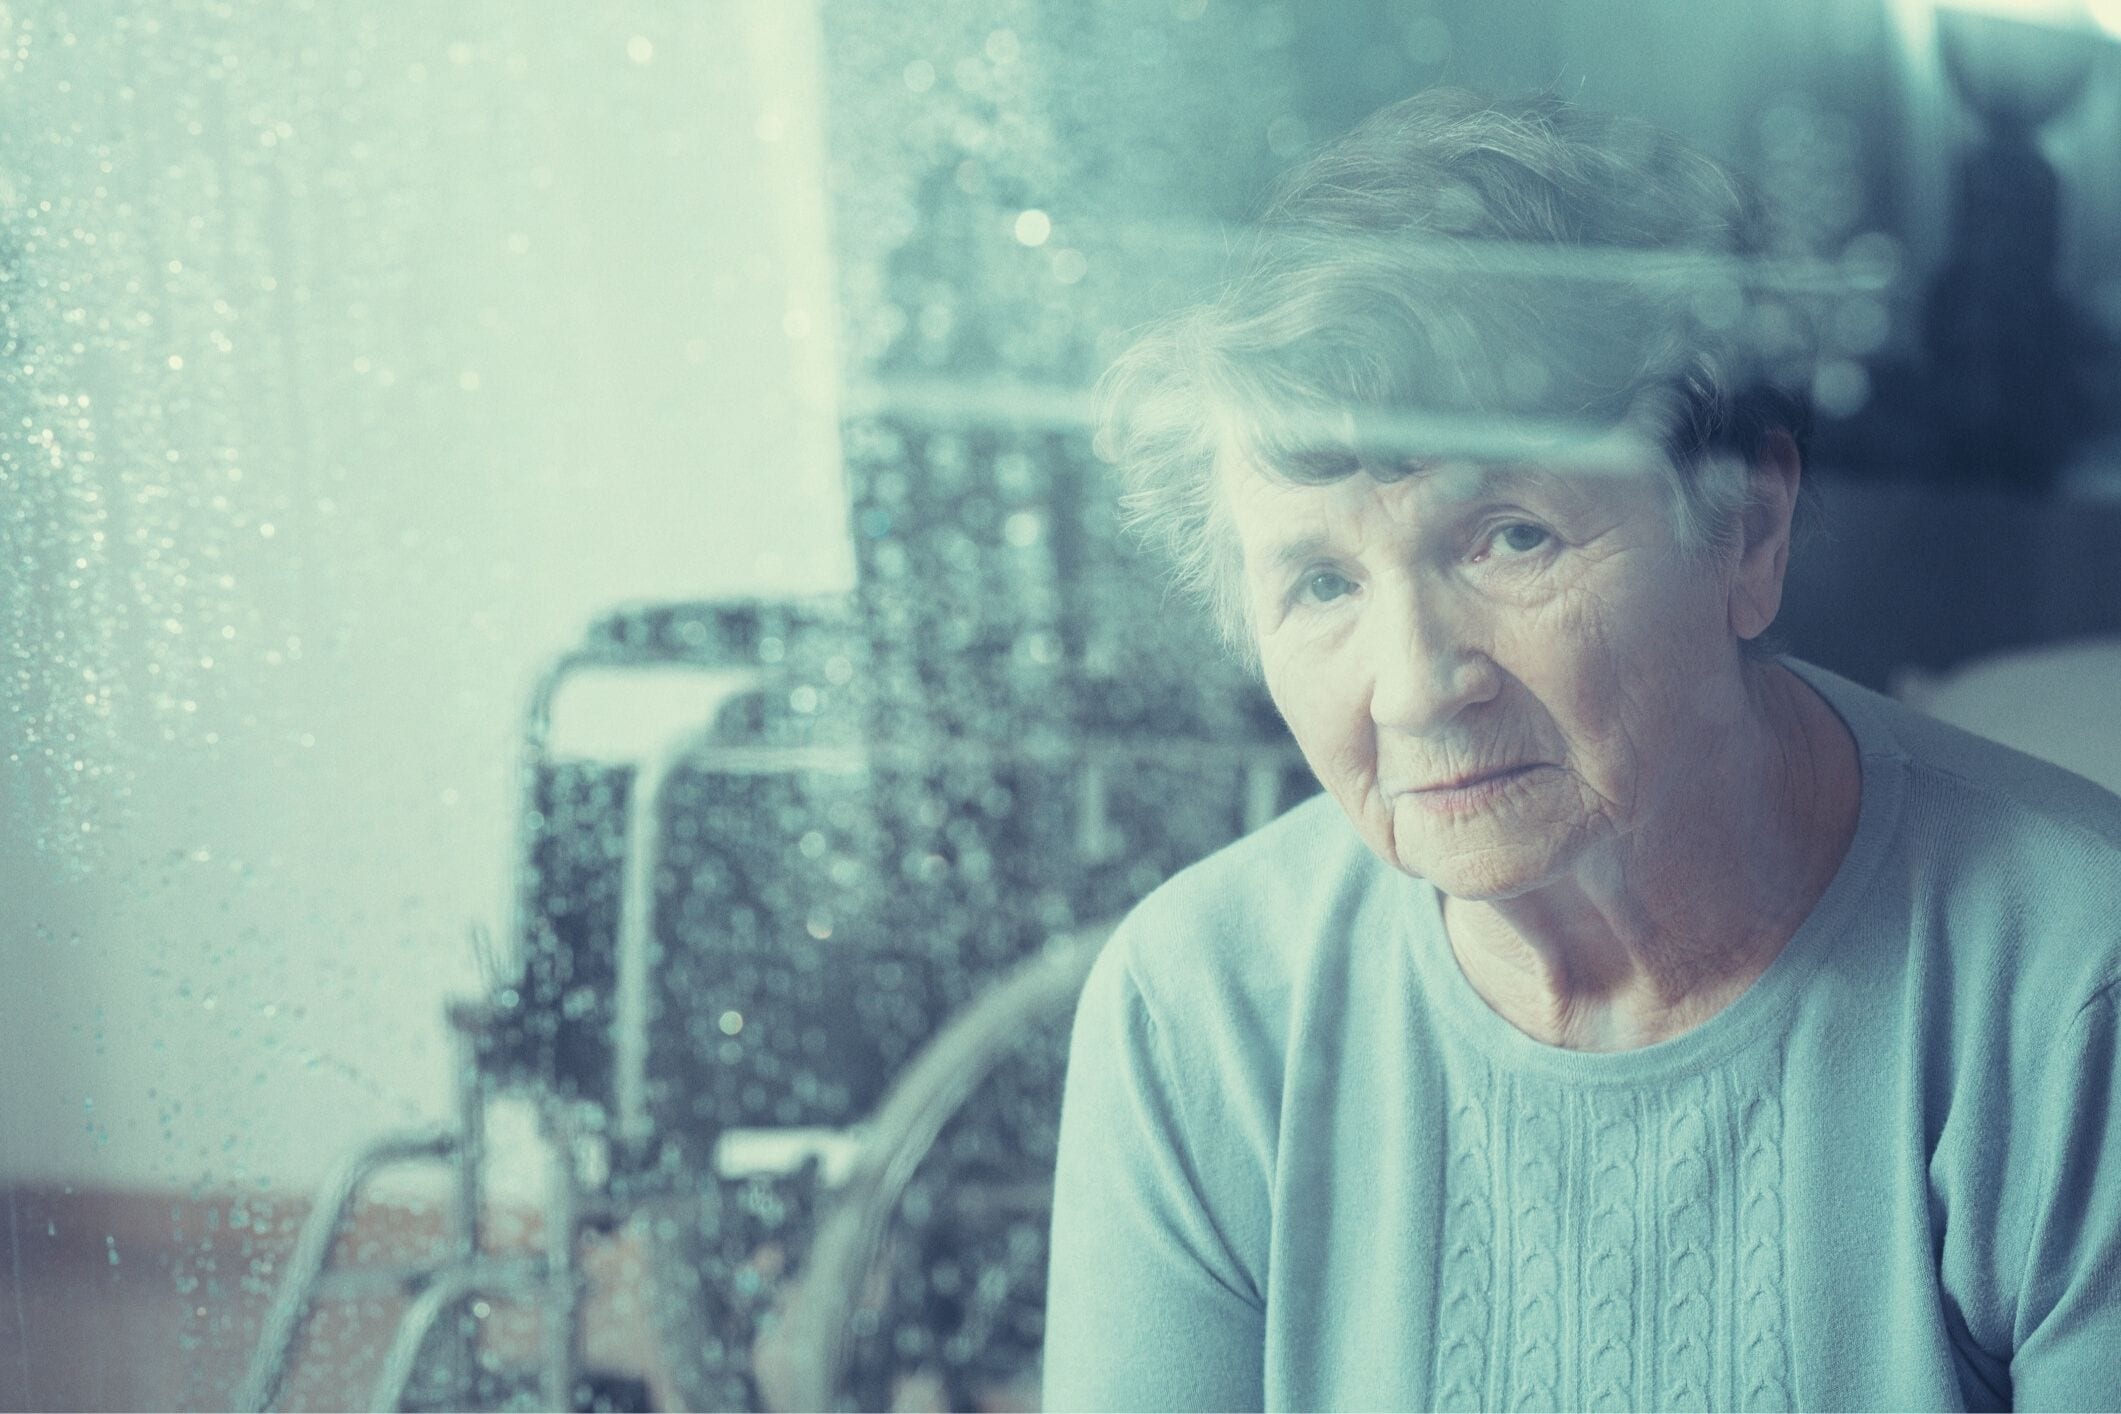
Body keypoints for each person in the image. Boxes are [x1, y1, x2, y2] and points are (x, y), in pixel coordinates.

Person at [1043, 90, 2121, 1411]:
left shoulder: (2073, 989)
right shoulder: (1197, 1015)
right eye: (1319, 584)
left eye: (1509, 537)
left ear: (1745, 531)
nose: (1417, 688)